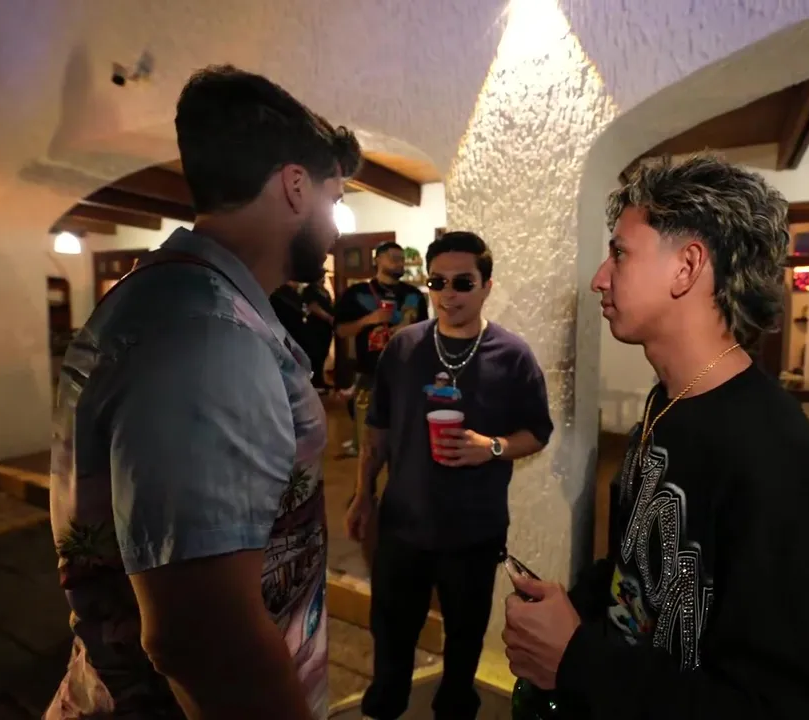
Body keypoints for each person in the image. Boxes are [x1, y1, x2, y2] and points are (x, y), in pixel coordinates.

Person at [501, 156, 809, 719]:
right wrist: (575, 609)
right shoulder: (667, 404)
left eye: (619, 253)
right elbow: (643, 569)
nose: (599, 278)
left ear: (687, 267)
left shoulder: (784, 467)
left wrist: (577, 659)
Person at [46, 65, 360, 719]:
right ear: (295, 187)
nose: (337, 226)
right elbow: (201, 636)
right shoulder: (210, 334)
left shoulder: (196, 301)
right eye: (334, 198)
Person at [345, 231, 553, 720]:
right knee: (391, 636)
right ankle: (384, 709)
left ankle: (455, 709)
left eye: (463, 282)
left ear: (486, 286)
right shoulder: (403, 347)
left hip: (473, 529)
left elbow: (537, 432)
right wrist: (363, 495)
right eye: (437, 282)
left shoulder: (512, 355)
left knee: (464, 641)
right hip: (403, 525)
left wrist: (492, 447)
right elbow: (377, 430)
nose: (448, 294)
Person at [334, 241, 428, 455]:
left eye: (402, 259)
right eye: (394, 258)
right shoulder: (356, 293)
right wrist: (370, 319)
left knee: (405, 440)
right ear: (377, 260)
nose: (399, 263)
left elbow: (425, 333)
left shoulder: (414, 295)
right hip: (369, 374)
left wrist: (405, 329)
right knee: (368, 442)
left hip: (407, 372)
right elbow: (341, 331)